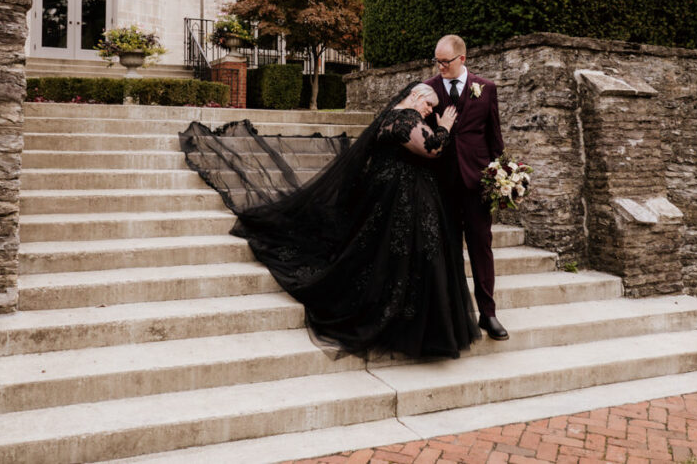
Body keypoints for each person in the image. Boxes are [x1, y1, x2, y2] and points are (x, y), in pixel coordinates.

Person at [180, 82, 480, 359]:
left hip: (394, 195)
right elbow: (432, 149)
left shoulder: (391, 115)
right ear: (416, 95)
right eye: (428, 105)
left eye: (431, 109)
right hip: (401, 197)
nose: (429, 111)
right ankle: (407, 326)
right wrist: (445, 127)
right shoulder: (406, 118)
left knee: (394, 257)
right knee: (405, 256)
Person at [424, 35, 508, 340]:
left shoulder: (487, 89)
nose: (440, 66)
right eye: (437, 60)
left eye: (445, 61)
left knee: (481, 249)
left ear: (462, 59)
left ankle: (488, 314)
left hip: (477, 184)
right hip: (441, 184)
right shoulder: (428, 88)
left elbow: (494, 137)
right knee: (447, 250)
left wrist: (501, 175)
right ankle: (452, 316)